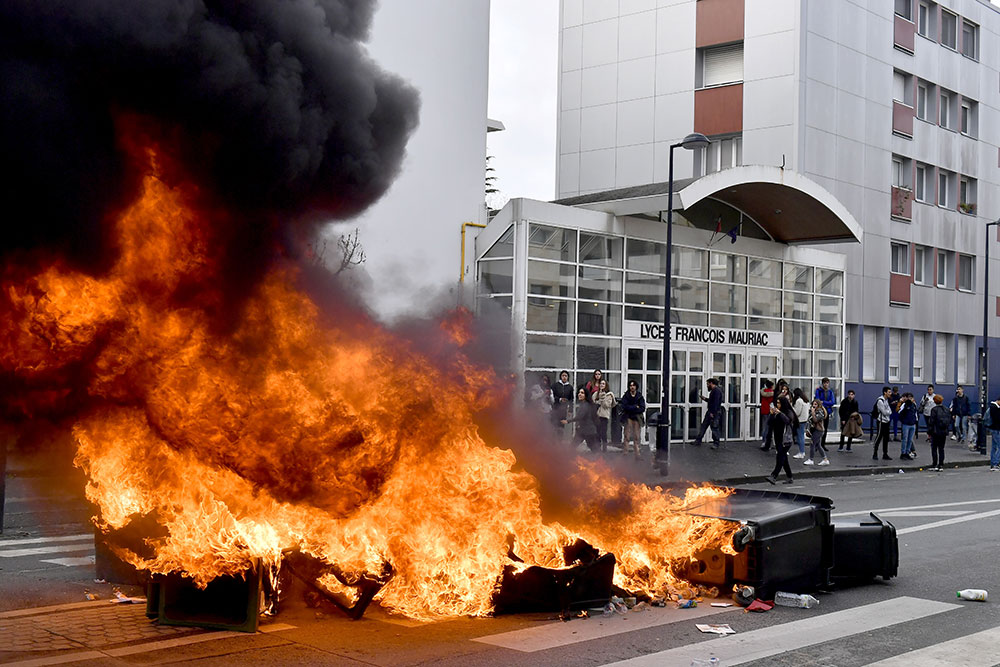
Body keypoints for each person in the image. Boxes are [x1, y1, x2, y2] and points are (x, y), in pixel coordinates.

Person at [765, 396, 795, 485]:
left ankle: (774, 476)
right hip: (778, 438)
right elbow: (769, 424)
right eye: (777, 403)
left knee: (780, 457)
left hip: (786, 439)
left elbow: (788, 421)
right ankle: (790, 477)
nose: (777, 405)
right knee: (784, 458)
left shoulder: (788, 412)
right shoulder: (776, 413)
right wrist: (771, 414)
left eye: (779, 403)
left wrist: (780, 413)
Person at [694, 377, 723, 449]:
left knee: (714, 427)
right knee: (704, 426)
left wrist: (712, 413)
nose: (707, 385)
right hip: (711, 412)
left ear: (711, 383)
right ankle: (698, 440)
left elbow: (715, 403)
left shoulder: (716, 391)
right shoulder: (715, 391)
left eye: (708, 384)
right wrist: (705, 399)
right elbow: (712, 401)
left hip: (713, 412)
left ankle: (716, 443)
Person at [620, 380, 646, 458]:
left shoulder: (639, 396)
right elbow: (624, 406)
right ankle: (625, 453)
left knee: (636, 436)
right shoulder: (626, 396)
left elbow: (642, 408)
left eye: (633, 385)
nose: (632, 387)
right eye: (630, 385)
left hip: (637, 418)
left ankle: (637, 454)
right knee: (627, 436)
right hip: (628, 417)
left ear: (636, 387)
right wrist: (635, 406)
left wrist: (631, 408)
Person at [592, 379, 616, 453]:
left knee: (603, 432)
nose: (601, 385)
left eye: (603, 384)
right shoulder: (596, 393)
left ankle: (604, 448)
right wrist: (598, 399)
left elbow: (607, 405)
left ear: (606, 386)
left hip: (604, 416)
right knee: (597, 432)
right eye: (600, 384)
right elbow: (593, 402)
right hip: (597, 415)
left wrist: (602, 399)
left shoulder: (609, 395)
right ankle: (597, 447)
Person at [928, 394, 951, 471]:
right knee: (941, 448)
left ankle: (934, 463)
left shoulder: (934, 410)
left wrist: (929, 432)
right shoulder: (946, 409)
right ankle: (941, 464)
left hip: (935, 431)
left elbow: (931, 422)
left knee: (934, 448)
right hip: (943, 431)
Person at [805, 398, 830, 466]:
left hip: (818, 430)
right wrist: (807, 429)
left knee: (812, 444)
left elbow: (815, 420)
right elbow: (809, 421)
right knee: (818, 445)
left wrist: (813, 412)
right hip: (814, 430)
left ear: (819, 405)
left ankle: (811, 459)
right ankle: (825, 459)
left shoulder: (820, 412)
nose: (814, 405)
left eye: (815, 404)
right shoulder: (813, 411)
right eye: (813, 404)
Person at [814, 378, 836, 447]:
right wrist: (826, 403)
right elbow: (818, 401)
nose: (826, 384)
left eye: (827, 383)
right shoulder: (819, 391)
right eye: (824, 383)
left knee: (825, 429)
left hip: (827, 412)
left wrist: (823, 402)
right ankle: (817, 444)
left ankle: (823, 444)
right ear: (822, 383)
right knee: (818, 428)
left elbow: (832, 402)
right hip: (820, 412)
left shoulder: (830, 392)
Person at [872, 386, 893, 461]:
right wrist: (888, 412)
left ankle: (885, 454)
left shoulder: (886, 400)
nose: (890, 393)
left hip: (887, 421)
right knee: (879, 437)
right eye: (889, 392)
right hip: (881, 421)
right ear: (885, 392)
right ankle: (875, 453)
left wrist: (888, 412)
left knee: (886, 438)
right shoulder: (880, 401)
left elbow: (890, 411)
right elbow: (884, 412)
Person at [898, 392, 919, 460]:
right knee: (905, 439)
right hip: (906, 424)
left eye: (911, 397)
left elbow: (916, 414)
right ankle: (903, 453)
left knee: (910, 440)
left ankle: (907, 452)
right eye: (909, 397)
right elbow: (899, 412)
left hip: (912, 424)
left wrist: (915, 422)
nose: (910, 399)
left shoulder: (914, 405)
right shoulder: (904, 405)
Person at [791, 387, 809, 459]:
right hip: (804, 420)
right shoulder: (805, 400)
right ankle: (802, 452)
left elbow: (797, 412)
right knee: (801, 436)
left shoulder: (799, 401)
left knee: (800, 436)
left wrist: (792, 408)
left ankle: (801, 452)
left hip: (799, 420)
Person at [760, 380, 775, 448]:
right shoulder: (771, 393)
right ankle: (767, 442)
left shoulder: (763, 392)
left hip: (763, 410)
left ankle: (763, 441)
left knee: (764, 426)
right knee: (768, 428)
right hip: (769, 411)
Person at [988, 395, 1000, 471]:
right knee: (998, 447)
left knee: (994, 447)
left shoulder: (992, 407)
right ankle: (995, 463)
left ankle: (993, 463)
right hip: (996, 429)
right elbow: (997, 419)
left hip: (994, 429)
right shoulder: (995, 408)